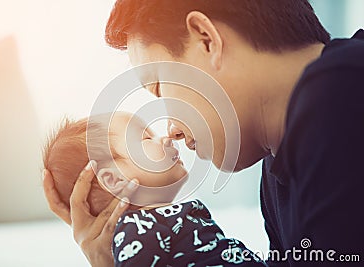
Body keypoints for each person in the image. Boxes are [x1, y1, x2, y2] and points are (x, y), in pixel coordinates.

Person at [43, 0, 364, 266]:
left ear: (206, 39)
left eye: (159, 89)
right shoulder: (276, 178)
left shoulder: (342, 92)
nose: (171, 130)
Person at [43, 112, 266, 266]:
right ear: (113, 179)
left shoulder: (161, 220)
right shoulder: (136, 230)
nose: (167, 138)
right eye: (146, 138)